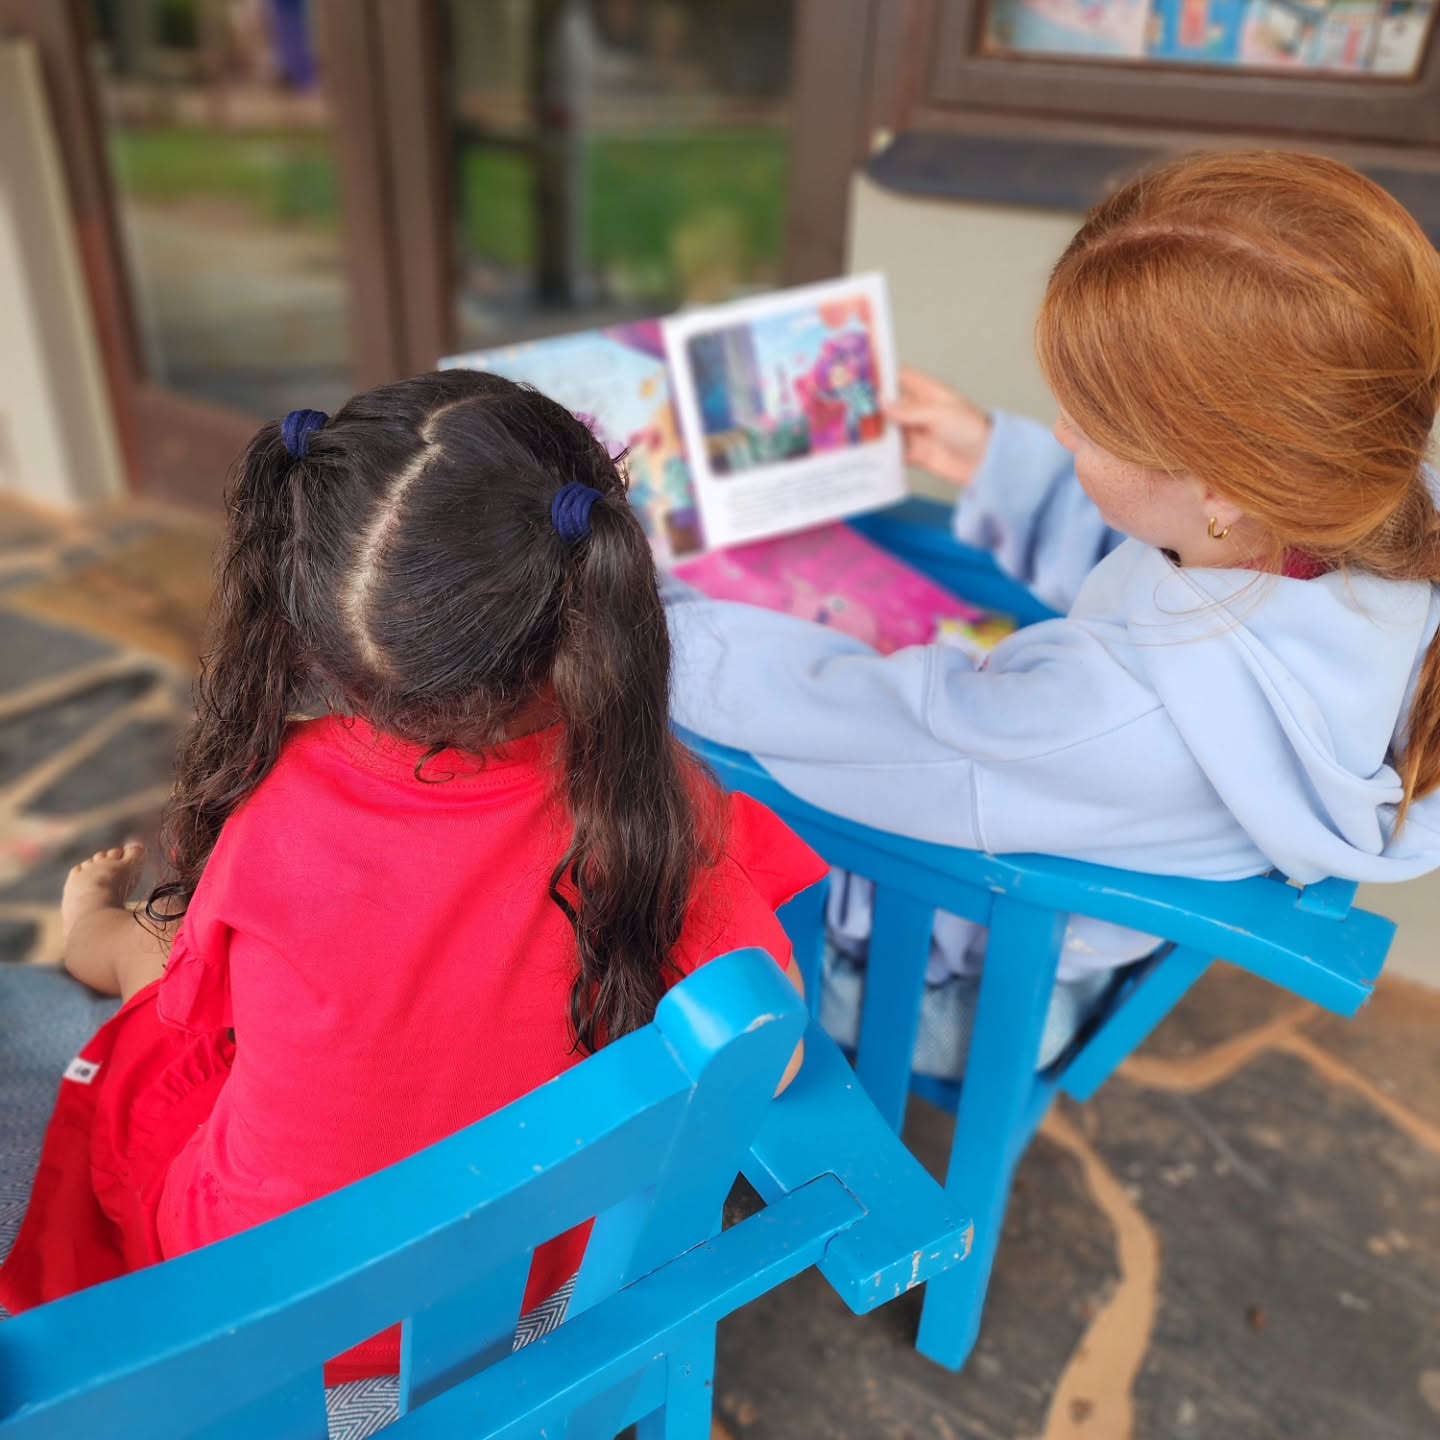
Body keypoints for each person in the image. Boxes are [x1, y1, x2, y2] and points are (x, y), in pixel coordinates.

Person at [0, 371, 824, 1379]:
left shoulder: (276, 813)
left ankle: (93, 930)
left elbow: (199, 1019)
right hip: (537, 1287)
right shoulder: (652, 806)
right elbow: (768, 1056)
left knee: (161, 994)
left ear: (325, 643)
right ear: (580, 607)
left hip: (267, 1317)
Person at [664, 149, 1440, 1077]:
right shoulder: (1371, 511)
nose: (1062, 429)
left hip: (954, 992)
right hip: (1072, 925)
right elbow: (1172, 565)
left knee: (645, 882)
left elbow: (850, 724)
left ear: (1225, 486)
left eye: (1087, 420)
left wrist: (647, 617)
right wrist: (992, 459)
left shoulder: (1102, 720)